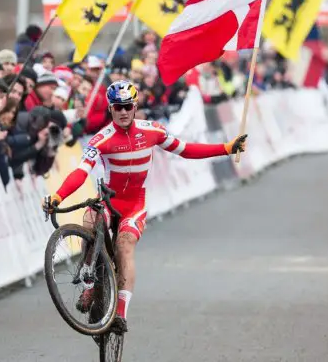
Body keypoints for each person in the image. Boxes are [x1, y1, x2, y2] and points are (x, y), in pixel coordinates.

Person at [42, 81, 247, 333]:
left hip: (133, 205)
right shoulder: (101, 139)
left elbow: (185, 150)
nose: (124, 112)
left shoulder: (153, 131)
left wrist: (226, 148)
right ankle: (88, 281)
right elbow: (81, 172)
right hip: (108, 199)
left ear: (135, 105)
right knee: (89, 222)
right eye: (118, 107)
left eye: (128, 106)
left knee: (124, 246)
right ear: (111, 109)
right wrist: (58, 197)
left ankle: (119, 315)